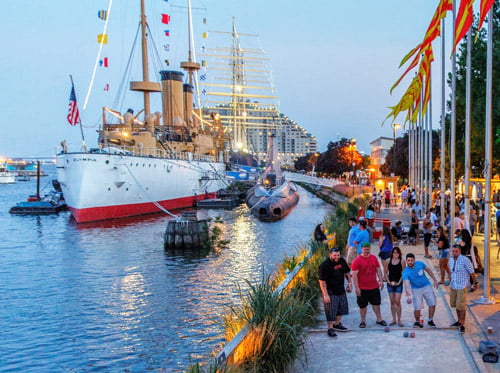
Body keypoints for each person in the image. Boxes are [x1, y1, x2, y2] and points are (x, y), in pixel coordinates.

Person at [351, 242, 387, 328]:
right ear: (361, 249)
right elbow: (354, 275)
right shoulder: (357, 261)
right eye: (365, 249)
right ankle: (363, 321)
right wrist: (356, 288)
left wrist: (381, 281)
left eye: (368, 249)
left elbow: (378, 270)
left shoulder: (374, 258)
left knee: (376, 304)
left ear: (370, 249)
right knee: (363, 306)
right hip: (362, 288)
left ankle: (379, 319)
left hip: (374, 286)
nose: (366, 251)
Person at [318, 248, 352, 337]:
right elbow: (322, 282)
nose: (337, 257)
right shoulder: (324, 265)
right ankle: (330, 328)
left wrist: (349, 284)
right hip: (330, 292)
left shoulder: (341, 261)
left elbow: (347, 272)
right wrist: (325, 295)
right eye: (335, 256)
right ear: (330, 255)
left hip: (341, 290)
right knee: (331, 311)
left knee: (341, 309)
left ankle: (337, 324)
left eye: (338, 255)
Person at [403, 253, 439, 328]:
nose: (410, 262)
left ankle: (430, 320)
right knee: (417, 307)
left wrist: (435, 280)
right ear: (406, 261)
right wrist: (407, 290)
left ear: (414, 260)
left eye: (411, 260)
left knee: (432, 303)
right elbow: (406, 282)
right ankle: (417, 321)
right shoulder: (405, 272)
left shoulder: (420, 264)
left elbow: (428, 270)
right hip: (416, 289)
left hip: (426, 286)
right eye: (408, 260)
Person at [448, 245, 478, 334]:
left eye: (456, 251)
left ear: (460, 251)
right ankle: (459, 321)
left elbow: (472, 272)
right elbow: (451, 271)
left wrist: (475, 282)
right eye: (453, 251)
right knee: (455, 305)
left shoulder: (465, 260)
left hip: (462, 285)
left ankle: (463, 324)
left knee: (461, 306)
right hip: (453, 285)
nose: (454, 253)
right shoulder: (451, 259)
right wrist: (449, 279)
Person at [385, 247, 405, 327]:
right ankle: (394, 319)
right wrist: (388, 281)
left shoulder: (402, 261)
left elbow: (404, 273)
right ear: (392, 253)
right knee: (392, 301)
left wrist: (399, 282)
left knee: (397, 301)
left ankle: (399, 320)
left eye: (397, 252)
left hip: (398, 283)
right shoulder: (387, 261)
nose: (395, 254)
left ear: (399, 253)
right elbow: (385, 272)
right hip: (390, 283)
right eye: (394, 252)